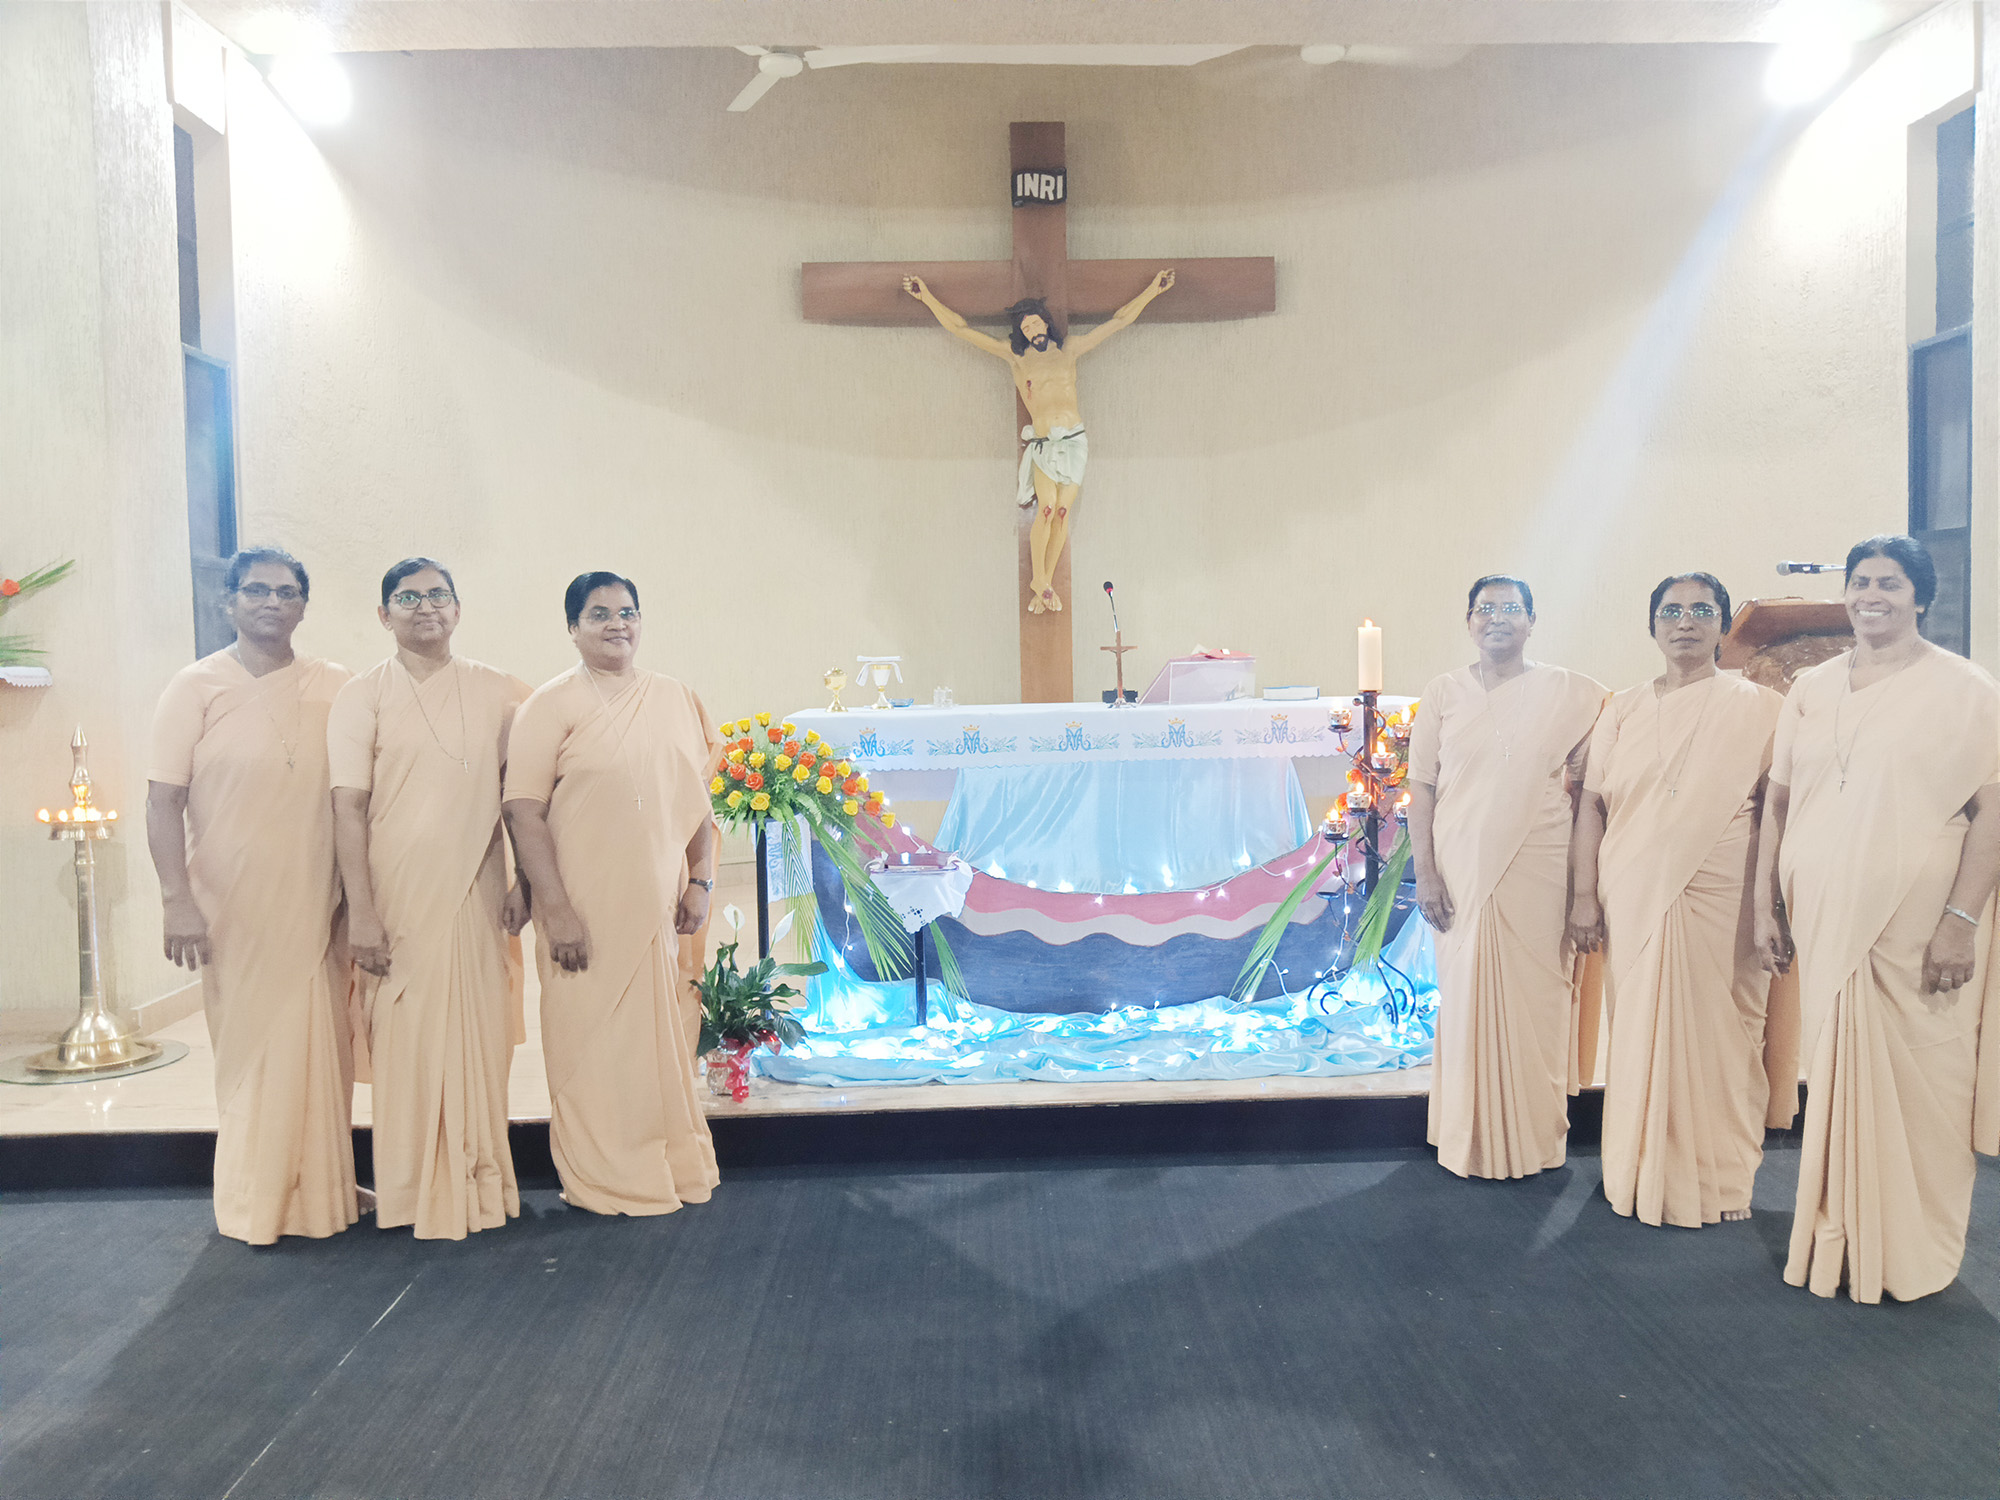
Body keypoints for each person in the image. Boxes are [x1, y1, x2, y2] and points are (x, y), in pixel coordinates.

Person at [1753, 535, 2000, 1302]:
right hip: (1825, 916)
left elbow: (1992, 813)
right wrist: (1765, 904)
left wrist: (1961, 919)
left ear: (1921, 596)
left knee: (1926, 1081)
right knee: (1835, 1071)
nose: (1872, 596)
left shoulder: (1966, 689)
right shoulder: (1811, 688)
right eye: (1861, 582)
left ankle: (1911, 1251)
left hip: (1918, 926)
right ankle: (1841, 1239)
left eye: (1890, 583)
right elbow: (1778, 803)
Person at [1567, 573, 1793, 1227]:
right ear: (1653, 627)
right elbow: (1592, 807)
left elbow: (1778, 814)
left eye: (1701, 610)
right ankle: (1640, 1172)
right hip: (1633, 888)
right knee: (1640, 1028)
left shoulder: (1764, 707)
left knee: (1726, 1031)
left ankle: (1719, 1178)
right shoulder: (1622, 709)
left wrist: (1771, 905)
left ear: (1722, 624)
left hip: (1727, 891)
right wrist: (1583, 896)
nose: (1685, 621)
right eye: (1671, 611)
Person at [146, 548, 357, 1243]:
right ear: (229, 601)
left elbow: (359, 797)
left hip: (318, 896)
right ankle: (256, 1197)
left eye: (288, 592)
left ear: (304, 606)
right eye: (258, 590)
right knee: (253, 1043)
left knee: (318, 1040)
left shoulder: (336, 684)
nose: (273, 602)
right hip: (231, 901)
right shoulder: (195, 687)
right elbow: (163, 801)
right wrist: (176, 899)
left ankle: (320, 1190)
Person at [502, 572, 722, 1214]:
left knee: (653, 1044)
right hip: (583, 907)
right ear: (572, 628)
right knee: (589, 1041)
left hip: (658, 905)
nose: (616, 623)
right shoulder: (550, 704)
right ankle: (601, 1176)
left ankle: (664, 1163)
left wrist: (701, 880)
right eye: (599, 614)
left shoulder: (674, 697)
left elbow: (697, 802)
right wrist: (556, 910)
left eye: (627, 611)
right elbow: (522, 809)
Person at [327, 558, 532, 1241]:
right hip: (396, 894)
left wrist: (527, 882)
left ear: (458, 608)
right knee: (407, 1035)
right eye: (408, 598)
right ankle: (414, 1191)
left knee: (478, 1030)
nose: (426, 608)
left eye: (438, 595)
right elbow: (348, 807)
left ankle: (478, 1185)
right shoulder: (362, 695)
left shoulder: (499, 691)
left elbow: (522, 797)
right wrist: (361, 911)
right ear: (383, 614)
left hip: (476, 889)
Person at [1407, 575, 1607, 1180]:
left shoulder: (1574, 693)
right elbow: (1422, 788)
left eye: (1511, 608)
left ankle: (1534, 1136)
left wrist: (1585, 888)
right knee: (1466, 994)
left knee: (1539, 998)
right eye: (1485, 608)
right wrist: (1425, 873)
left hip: (1542, 861)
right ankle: (1467, 1134)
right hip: (1460, 868)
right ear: (1469, 622)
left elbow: (1592, 782)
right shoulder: (1443, 693)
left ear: (1532, 621)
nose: (1497, 617)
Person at [902, 269, 1175, 614]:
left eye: (1035, 323)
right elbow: (961, 329)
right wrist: (926, 296)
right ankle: (1041, 581)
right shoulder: (1016, 357)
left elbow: (1119, 321)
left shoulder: (1070, 349)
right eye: (1026, 328)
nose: (1032, 330)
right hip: (1045, 442)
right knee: (1045, 508)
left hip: (1074, 441)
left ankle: (1042, 585)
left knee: (1061, 512)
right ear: (1022, 333)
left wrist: (1153, 290)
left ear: (1046, 322)